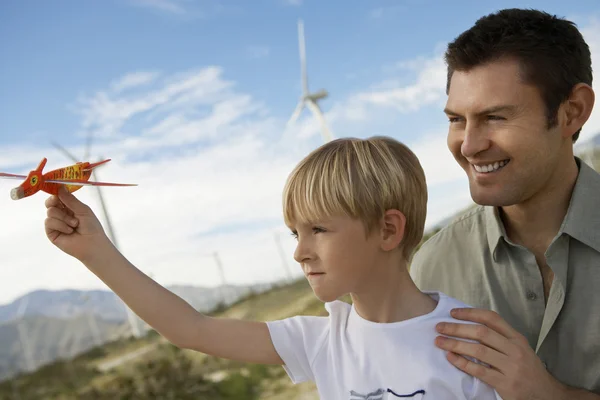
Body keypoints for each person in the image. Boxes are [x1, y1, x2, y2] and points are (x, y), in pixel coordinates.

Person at [44, 136, 497, 399]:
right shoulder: (319, 340)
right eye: (294, 234)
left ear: (387, 230)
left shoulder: (472, 342)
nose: (300, 252)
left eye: (318, 229)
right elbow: (191, 329)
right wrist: (95, 252)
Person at [410, 8, 600, 399]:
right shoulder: (430, 269)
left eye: (494, 117)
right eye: (456, 120)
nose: (469, 145)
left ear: (572, 112)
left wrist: (553, 396)